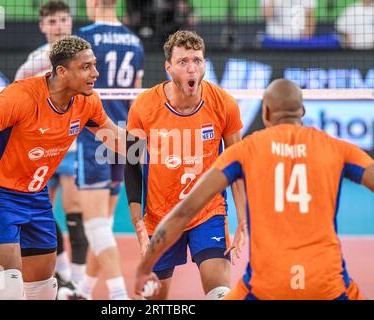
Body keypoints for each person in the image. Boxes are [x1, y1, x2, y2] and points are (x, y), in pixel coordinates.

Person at [135, 79, 374, 300]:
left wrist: (145, 267)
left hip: (265, 286)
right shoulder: (338, 149)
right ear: (302, 111)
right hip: (329, 284)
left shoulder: (245, 150)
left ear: (266, 113)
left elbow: (184, 211)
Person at [0, 36, 125, 300]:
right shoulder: (20, 97)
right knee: (8, 287)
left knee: (43, 292)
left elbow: (118, 140)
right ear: (62, 72)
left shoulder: (87, 102)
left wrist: (163, 148)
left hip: (36, 198)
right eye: (86, 67)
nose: (95, 73)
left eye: (94, 65)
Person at [126, 30, 247, 300]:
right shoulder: (145, 106)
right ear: (169, 67)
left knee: (219, 290)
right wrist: (138, 225)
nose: (192, 68)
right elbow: (132, 166)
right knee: (155, 299)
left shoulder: (223, 103)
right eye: (183, 62)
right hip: (160, 218)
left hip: (208, 211)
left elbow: (236, 164)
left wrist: (243, 220)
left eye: (197, 61)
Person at [71, 0, 144, 300]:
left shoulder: (85, 38)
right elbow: (136, 100)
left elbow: (74, 86)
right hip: (124, 136)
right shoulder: (135, 42)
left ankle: (119, 296)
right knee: (104, 223)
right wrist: (134, 143)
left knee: (95, 224)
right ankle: (83, 291)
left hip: (95, 134)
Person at [15, 0, 89, 293]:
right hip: (39, 150)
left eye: (63, 20)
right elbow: (16, 87)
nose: (59, 26)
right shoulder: (34, 62)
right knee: (42, 212)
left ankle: (79, 284)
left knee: (75, 212)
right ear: (43, 26)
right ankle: (65, 276)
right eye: (53, 21)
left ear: (70, 23)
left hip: (69, 147)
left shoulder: (82, 57)